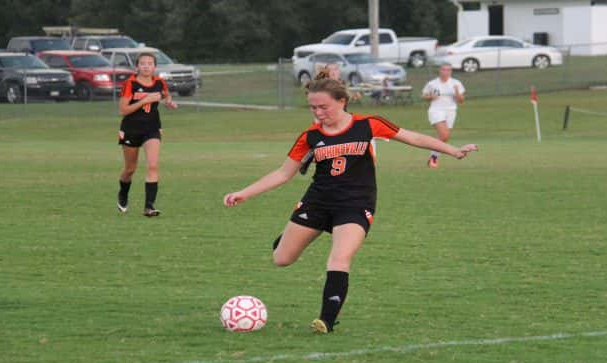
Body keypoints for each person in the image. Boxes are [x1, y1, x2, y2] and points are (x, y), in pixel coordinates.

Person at [223, 78, 477, 334]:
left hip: (356, 204)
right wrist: (245, 193)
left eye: (324, 107)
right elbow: (283, 173)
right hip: (318, 201)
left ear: (342, 101)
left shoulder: (368, 125)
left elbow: (413, 137)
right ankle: (290, 236)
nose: (319, 113)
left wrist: (452, 151)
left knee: (340, 257)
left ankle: (326, 320)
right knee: (282, 259)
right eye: (313, 108)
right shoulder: (310, 137)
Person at [116, 52, 177, 217]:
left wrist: (169, 102)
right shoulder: (130, 84)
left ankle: (149, 207)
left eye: (150, 63)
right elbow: (123, 110)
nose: (146, 66)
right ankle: (123, 194)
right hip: (131, 129)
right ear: (137, 66)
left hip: (152, 128)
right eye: (143, 63)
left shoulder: (159, 82)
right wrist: (144, 100)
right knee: (130, 169)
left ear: (154, 66)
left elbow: (165, 95)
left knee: (153, 165)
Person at [421, 63, 465, 168]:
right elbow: (424, 96)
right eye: (444, 70)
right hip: (436, 110)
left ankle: (433, 157)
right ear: (440, 71)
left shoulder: (456, 83)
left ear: (451, 71)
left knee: (444, 137)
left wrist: (457, 92)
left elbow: (461, 100)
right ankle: (434, 159)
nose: (446, 72)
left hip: (451, 111)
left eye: (448, 70)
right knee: (444, 135)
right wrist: (431, 97)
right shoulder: (432, 83)